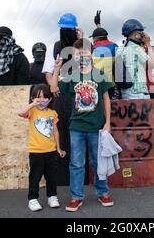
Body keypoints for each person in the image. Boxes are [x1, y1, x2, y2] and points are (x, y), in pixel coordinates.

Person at [52, 38, 115, 212]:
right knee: (76, 163)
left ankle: (103, 192)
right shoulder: (71, 76)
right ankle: (76, 197)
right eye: (79, 54)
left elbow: (106, 99)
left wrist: (108, 122)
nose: (82, 56)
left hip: (97, 127)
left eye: (85, 53)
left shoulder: (100, 74)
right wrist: (57, 67)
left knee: (98, 162)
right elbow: (53, 88)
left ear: (92, 54)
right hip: (77, 127)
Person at [42, 13, 83, 186]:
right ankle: (60, 178)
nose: (67, 31)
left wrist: (80, 42)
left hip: (80, 94)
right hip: (60, 96)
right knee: (61, 133)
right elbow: (48, 71)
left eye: (70, 29)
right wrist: (53, 86)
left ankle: (82, 177)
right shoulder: (54, 47)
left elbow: (88, 66)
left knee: (79, 134)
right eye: (64, 29)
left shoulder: (81, 46)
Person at [18, 84, 66, 212]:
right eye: (38, 98)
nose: (42, 100)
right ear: (33, 98)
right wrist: (32, 104)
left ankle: (52, 196)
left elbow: (55, 131)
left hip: (51, 151)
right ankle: (32, 199)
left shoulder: (52, 113)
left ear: (50, 99)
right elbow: (20, 113)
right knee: (35, 177)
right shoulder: (32, 111)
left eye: (45, 97)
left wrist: (59, 148)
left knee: (52, 176)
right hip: (36, 152)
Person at [118, 19, 154, 100]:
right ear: (135, 34)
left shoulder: (121, 49)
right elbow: (151, 64)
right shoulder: (136, 48)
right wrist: (148, 44)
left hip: (126, 92)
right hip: (138, 93)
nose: (143, 35)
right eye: (141, 33)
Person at [90, 24, 120, 99]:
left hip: (97, 85)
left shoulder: (92, 49)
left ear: (95, 39)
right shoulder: (115, 46)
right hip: (112, 84)